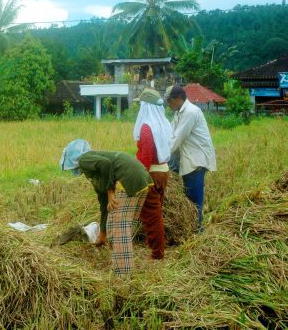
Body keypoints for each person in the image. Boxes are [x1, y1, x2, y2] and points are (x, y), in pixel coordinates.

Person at [61, 139, 153, 276]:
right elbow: (104, 206)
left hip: (128, 179)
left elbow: (106, 164)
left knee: (118, 226)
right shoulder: (96, 173)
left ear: (72, 159)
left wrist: (110, 192)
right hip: (140, 178)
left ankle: (122, 276)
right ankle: (125, 269)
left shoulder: (84, 159)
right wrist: (102, 234)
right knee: (121, 226)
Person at [164, 85, 217, 231]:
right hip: (187, 157)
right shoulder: (178, 113)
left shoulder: (191, 112)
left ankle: (198, 229)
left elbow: (177, 138)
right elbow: (170, 134)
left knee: (194, 198)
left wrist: (162, 157)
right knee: (187, 195)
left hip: (196, 159)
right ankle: (191, 227)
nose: (169, 104)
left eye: (171, 101)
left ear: (179, 98)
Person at [133, 88, 172, 260]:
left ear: (146, 106)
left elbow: (146, 157)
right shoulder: (163, 124)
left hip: (151, 174)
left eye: (141, 104)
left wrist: (137, 178)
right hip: (163, 172)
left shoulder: (147, 127)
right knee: (156, 212)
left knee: (152, 216)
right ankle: (154, 246)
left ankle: (157, 254)